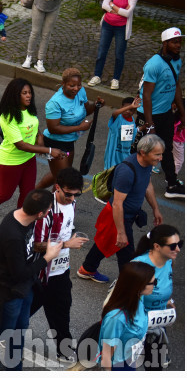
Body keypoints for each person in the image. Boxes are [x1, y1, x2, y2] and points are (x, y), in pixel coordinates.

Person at [0, 189, 63, 371]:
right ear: (39, 213)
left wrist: (59, 245)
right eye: (47, 210)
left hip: (26, 286)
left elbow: (28, 251)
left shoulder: (24, 217)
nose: (48, 213)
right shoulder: (12, 235)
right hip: (10, 290)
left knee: (21, 327)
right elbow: (19, 273)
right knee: (5, 330)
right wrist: (48, 257)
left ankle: (14, 367)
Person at [0, 79, 65, 232]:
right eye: (24, 93)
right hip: (10, 162)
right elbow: (20, 144)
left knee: (27, 194)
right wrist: (50, 151)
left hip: (28, 159)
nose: (28, 96)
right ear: (15, 95)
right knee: (4, 194)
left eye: (30, 93)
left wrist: (40, 142)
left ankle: (22, 223)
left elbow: (35, 129)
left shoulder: (29, 110)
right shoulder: (8, 116)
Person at [78, 134, 164, 282]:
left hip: (128, 215)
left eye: (161, 154)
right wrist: (121, 231)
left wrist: (155, 208)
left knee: (105, 243)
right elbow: (118, 204)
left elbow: (148, 185)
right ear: (143, 152)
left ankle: (87, 268)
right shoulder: (127, 172)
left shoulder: (148, 164)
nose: (160, 158)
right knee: (126, 252)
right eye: (157, 154)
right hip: (118, 216)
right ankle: (127, 286)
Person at [31, 168, 89, 363]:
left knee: (62, 311)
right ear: (57, 188)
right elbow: (37, 246)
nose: (72, 198)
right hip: (41, 274)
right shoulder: (46, 210)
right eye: (69, 194)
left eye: (76, 194)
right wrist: (66, 244)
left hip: (61, 271)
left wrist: (70, 239)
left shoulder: (72, 204)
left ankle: (63, 349)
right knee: (23, 312)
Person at [135, 27, 185, 199]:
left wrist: (183, 113)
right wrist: (150, 125)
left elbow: (176, 86)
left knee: (167, 148)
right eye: (174, 42)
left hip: (166, 114)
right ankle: (131, 180)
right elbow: (147, 96)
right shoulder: (154, 64)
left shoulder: (177, 61)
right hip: (148, 115)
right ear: (165, 43)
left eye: (180, 41)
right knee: (140, 150)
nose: (179, 45)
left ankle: (171, 185)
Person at [36, 68, 104, 189]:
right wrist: (79, 127)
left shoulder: (80, 92)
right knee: (64, 179)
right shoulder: (55, 103)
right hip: (55, 143)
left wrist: (96, 106)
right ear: (63, 84)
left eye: (79, 85)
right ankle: (37, 198)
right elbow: (53, 128)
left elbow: (85, 110)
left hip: (69, 142)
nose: (76, 88)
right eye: (72, 85)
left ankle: (35, 194)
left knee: (57, 175)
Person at [132, 224, 181, 370]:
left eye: (180, 244)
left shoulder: (169, 261)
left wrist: (167, 300)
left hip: (157, 323)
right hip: (136, 325)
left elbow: (164, 285)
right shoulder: (139, 265)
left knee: (155, 366)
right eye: (173, 246)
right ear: (157, 246)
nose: (178, 249)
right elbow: (123, 295)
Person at [22, 0, 84, 73]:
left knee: (46, 34)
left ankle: (40, 60)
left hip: (54, 7)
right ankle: (29, 57)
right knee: (35, 32)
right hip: (39, 4)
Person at [87, 0, 140, 90]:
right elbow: (104, 4)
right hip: (107, 24)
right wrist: (118, 9)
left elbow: (127, 14)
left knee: (119, 54)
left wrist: (112, 6)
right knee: (102, 51)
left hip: (121, 27)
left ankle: (115, 79)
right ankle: (97, 75)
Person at [97, 261, 155, 370]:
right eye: (153, 282)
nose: (155, 285)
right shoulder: (117, 318)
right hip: (119, 366)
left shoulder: (138, 299)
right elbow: (107, 355)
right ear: (139, 286)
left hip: (130, 358)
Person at [104, 96, 141, 170]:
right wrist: (130, 106)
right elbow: (114, 113)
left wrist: (143, 127)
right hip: (114, 151)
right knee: (112, 170)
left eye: (131, 110)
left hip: (125, 152)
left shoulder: (132, 120)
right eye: (126, 108)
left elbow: (133, 131)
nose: (128, 111)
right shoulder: (118, 118)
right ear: (122, 107)